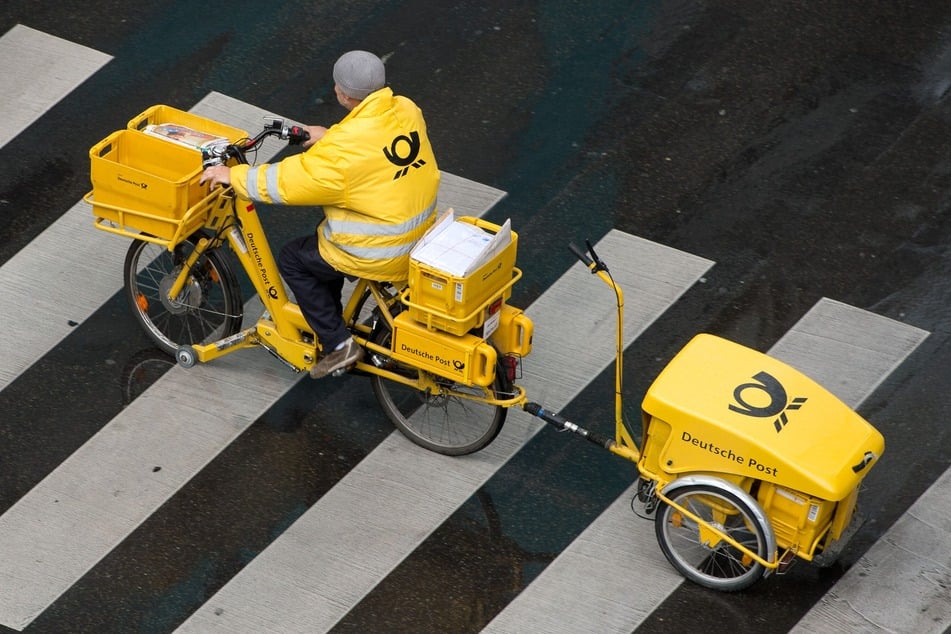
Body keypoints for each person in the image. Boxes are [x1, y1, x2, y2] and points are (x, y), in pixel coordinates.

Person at [200, 50, 440, 378]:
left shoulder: (342, 151)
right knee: (322, 243)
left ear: (342, 93)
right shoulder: (406, 109)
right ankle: (330, 320)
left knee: (294, 259)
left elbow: (290, 182)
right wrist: (328, 136)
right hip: (422, 231)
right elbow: (370, 147)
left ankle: (338, 343)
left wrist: (234, 176)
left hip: (381, 248)